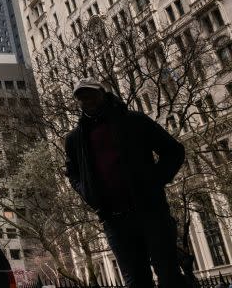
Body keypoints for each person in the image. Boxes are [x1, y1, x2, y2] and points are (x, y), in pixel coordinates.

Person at [65, 78, 190, 288]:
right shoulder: (75, 139)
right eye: (81, 97)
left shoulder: (134, 121)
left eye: (91, 94)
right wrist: (88, 193)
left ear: (103, 94)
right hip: (115, 221)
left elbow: (174, 151)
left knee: (169, 275)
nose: (87, 100)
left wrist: (155, 181)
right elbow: (73, 174)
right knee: (136, 281)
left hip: (151, 213)